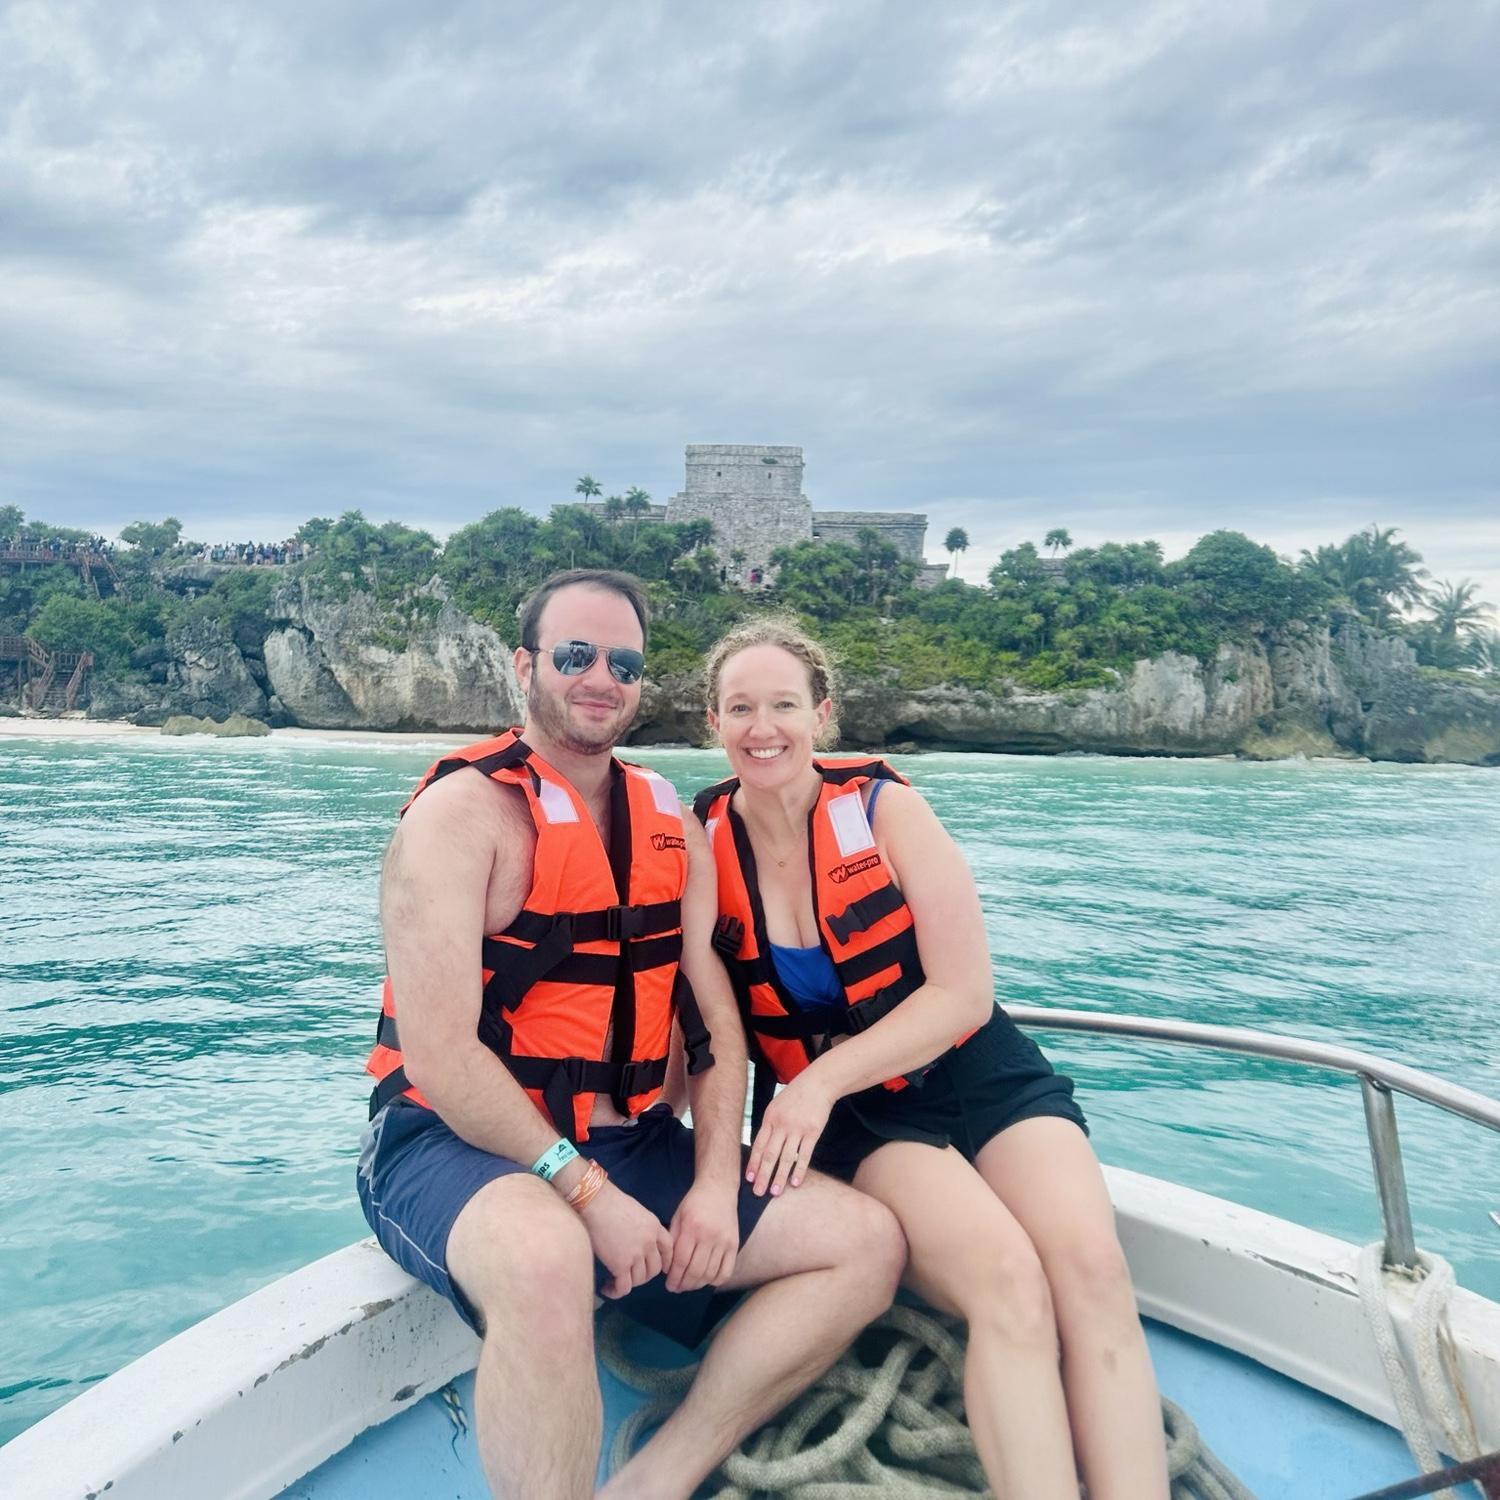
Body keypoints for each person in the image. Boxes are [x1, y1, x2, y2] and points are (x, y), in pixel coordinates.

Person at [356, 571, 904, 1500]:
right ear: (525, 667)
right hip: (451, 1144)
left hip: (634, 1135)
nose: (600, 677)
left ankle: (656, 1477)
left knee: (866, 1244)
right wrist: (588, 1192)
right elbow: (443, 1059)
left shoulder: (667, 821)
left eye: (625, 661)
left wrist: (716, 1187)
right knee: (544, 1257)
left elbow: (712, 1025)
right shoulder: (459, 819)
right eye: (575, 655)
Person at [695, 615, 1170, 1500]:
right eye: (741, 707)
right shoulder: (699, 846)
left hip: (970, 1067)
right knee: (1010, 1284)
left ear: (822, 715)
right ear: (712, 723)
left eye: (785, 705)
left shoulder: (887, 808)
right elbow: (706, 1026)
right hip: (866, 1119)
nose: (764, 728)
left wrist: (814, 1082)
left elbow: (962, 994)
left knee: (1096, 1275)